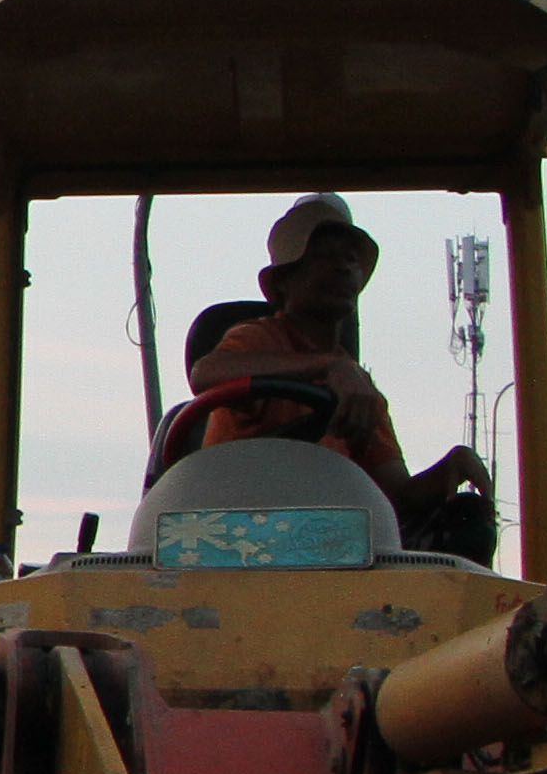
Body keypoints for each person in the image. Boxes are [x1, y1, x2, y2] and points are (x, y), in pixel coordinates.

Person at [188, 194, 488, 535]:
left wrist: (452, 465)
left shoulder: (358, 390)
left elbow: (396, 495)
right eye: (324, 256)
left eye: (351, 258)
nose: (344, 267)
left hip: (325, 545)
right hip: (231, 533)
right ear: (285, 280)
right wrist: (327, 367)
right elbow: (206, 374)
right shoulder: (257, 340)